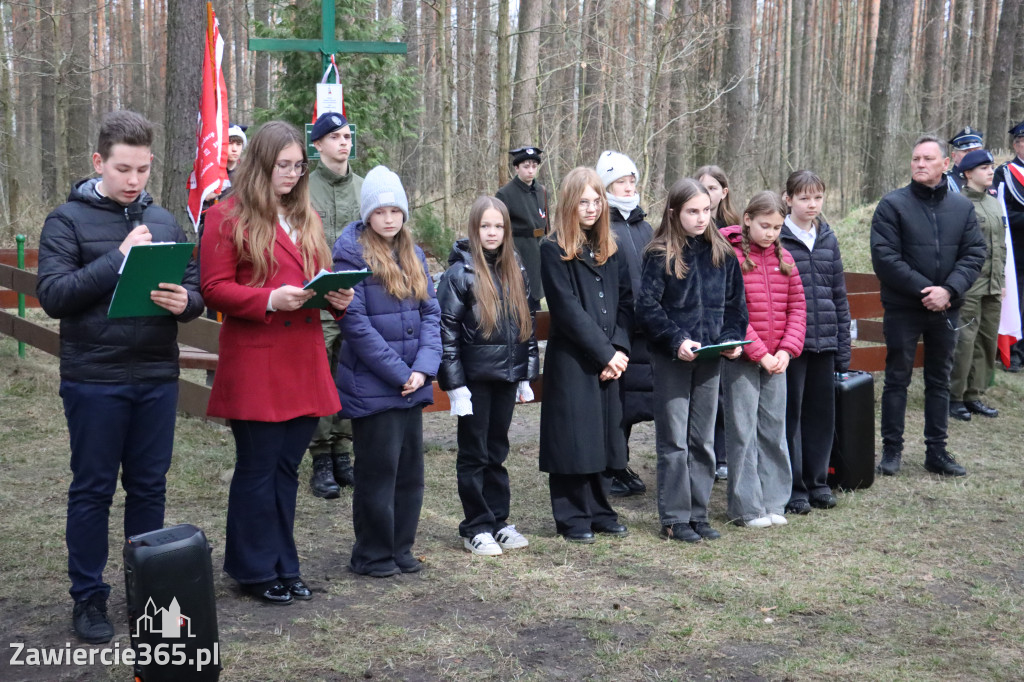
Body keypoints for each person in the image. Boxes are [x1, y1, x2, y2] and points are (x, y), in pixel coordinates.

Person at [37, 110, 204, 642]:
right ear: (98, 163)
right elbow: (53, 296)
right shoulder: (65, 220)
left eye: (143, 170)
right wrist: (118, 258)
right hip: (94, 378)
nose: (134, 181)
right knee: (92, 490)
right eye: (123, 169)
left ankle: (148, 593)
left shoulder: (166, 222)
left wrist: (186, 302)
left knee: (149, 487)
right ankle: (88, 598)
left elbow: (195, 289)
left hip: (156, 374)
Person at [200, 121, 354, 604]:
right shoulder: (225, 215)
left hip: (303, 360)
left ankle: (284, 564)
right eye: (282, 166)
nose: (291, 175)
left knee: (287, 468)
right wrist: (269, 300)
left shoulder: (307, 217)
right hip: (258, 362)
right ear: (260, 165)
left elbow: (318, 278)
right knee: (258, 467)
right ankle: (252, 568)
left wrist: (337, 297)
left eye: (297, 166)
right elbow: (214, 287)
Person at [333, 166, 442, 577]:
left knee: (409, 473)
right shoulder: (351, 253)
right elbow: (356, 325)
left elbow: (431, 313)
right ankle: (373, 553)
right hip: (375, 385)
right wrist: (401, 373)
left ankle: (401, 547)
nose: (389, 218)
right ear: (367, 215)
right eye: (380, 211)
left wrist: (423, 368)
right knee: (378, 474)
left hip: (412, 382)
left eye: (396, 210)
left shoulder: (413, 255)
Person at [635, 178, 747, 543]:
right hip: (673, 358)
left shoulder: (724, 254)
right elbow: (647, 309)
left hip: (711, 359)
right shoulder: (659, 254)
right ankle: (674, 517)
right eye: (692, 211)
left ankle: (698, 514)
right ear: (674, 212)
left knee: (702, 441)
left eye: (706, 210)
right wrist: (676, 340)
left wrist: (731, 340)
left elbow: (736, 308)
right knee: (675, 441)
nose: (702, 218)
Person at [871, 135, 985, 478]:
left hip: (946, 308)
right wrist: (928, 290)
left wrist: (948, 291)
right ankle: (891, 450)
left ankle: (937, 451)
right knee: (897, 379)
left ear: (945, 165)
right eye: (916, 159)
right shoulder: (892, 205)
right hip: (904, 307)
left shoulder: (962, 207)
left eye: (928, 159)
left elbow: (974, 254)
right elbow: (885, 258)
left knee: (939, 380)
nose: (920, 164)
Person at [437, 196, 539, 556]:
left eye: (498, 226)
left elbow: (525, 325)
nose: (492, 233)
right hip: (474, 379)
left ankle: (498, 520)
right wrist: (455, 385)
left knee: (497, 450)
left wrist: (526, 374)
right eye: (485, 226)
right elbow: (445, 332)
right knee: (474, 453)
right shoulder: (459, 274)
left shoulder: (516, 268)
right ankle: (475, 526)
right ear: (474, 229)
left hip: (507, 376)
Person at [539, 167, 632, 544]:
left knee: (602, 437)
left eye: (597, 201)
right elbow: (567, 309)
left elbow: (626, 301)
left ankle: (599, 510)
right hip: (575, 358)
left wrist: (620, 350)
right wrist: (604, 353)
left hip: (611, 359)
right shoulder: (553, 248)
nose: (591, 208)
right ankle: (572, 515)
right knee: (573, 439)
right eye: (584, 202)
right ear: (569, 203)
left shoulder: (611, 247)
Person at [721, 192, 806, 527]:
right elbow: (732, 311)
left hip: (778, 362)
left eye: (777, 227)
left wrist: (785, 350)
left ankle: (774, 503)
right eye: (764, 225)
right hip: (743, 359)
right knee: (742, 433)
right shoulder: (732, 258)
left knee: (773, 431)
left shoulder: (786, 260)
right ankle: (746, 508)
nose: (770, 233)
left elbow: (798, 308)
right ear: (747, 219)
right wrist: (761, 353)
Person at [780, 170, 851, 514]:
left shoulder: (828, 238)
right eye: (804, 198)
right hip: (792, 345)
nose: (811, 205)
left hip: (825, 342)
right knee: (790, 415)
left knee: (822, 415)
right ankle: (795, 487)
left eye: (817, 198)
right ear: (788, 199)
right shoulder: (777, 238)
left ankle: (819, 481)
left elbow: (838, 295)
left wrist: (843, 346)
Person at [305, 111, 364, 498]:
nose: (343, 142)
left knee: (351, 373)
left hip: (357, 298)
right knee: (319, 375)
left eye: (347, 136)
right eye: (335, 137)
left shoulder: (364, 188)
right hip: (316, 299)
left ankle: (344, 452)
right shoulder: (304, 189)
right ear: (319, 143)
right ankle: (321, 457)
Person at [596, 150, 652, 497]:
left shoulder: (644, 226)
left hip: (646, 327)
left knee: (632, 404)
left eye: (632, 181)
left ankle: (620, 463)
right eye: (621, 181)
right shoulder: (604, 227)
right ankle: (609, 466)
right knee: (613, 402)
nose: (629, 187)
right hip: (617, 329)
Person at [949, 150, 1007, 421]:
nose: (990, 171)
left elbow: (1001, 248)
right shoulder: (958, 204)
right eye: (984, 167)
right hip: (970, 285)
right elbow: (954, 248)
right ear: (968, 173)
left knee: (986, 341)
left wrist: (1002, 281)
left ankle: (974, 394)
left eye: (991, 167)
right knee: (965, 341)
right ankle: (955, 396)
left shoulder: (995, 204)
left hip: (993, 285)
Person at [696, 165, 741, 482]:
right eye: (702, 187)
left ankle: (723, 455)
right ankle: (703, 453)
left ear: (723, 192)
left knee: (726, 393)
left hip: (728, 320)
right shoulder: (691, 224)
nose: (708, 194)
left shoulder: (735, 228)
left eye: (712, 188)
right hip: (698, 328)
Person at [496, 146, 549, 309]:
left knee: (537, 298)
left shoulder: (542, 191)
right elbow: (500, 229)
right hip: (518, 251)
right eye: (526, 166)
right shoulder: (505, 194)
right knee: (520, 297)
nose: (531, 171)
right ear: (516, 168)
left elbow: (546, 222)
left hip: (539, 249)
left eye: (534, 166)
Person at [993, 120, 1024, 371]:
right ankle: (1013, 352)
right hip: (1017, 248)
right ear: (1016, 144)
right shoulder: (1005, 173)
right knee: (1016, 299)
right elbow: (1002, 213)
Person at [696, 165, 741, 230]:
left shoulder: (733, 226)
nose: (706, 193)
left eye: (712, 188)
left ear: (724, 193)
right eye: (702, 188)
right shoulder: (690, 226)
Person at [945, 126, 983, 193]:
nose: (972, 155)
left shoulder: (990, 178)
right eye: (967, 151)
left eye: (976, 150)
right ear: (954, 156)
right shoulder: (945, 181)